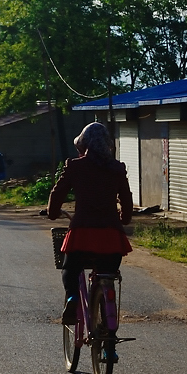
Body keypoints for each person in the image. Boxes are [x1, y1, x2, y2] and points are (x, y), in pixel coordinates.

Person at [47, 122, 133, 326]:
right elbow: (127, 199)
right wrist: (124, 218)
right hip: (112, 236)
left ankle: (71, 298)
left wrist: (52, 213)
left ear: (84, 144)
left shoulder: (76, 166)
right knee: (108, 276)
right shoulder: (117, 168)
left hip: (82, 233)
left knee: (71, 268)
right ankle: (107, 333)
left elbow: (58, 193)